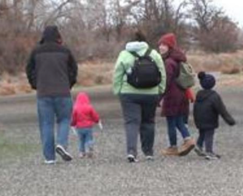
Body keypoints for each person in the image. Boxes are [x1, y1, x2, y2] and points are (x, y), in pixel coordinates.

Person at [26, 25, 78, 164]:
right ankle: (61, 144)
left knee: (46, 124)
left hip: (43, 93)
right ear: (58, 36)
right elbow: (74, 69)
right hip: (63, 92)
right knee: (65, 120)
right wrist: (69, 84)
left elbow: (29, 69)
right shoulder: (65, 51)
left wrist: (35, 84)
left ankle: (49, 158)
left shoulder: (36, 52)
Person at [113, 30, 166, 163]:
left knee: (132, 122)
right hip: (151, 93)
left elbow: (117, 73)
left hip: (129, 93)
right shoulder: (154, 54)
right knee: (148, 121)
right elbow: (162, 73)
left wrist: (118, 90)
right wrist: (160, 90)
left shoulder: (124, 54)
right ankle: (148, 152)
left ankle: (131, 151)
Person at [158, 33, 196, 156]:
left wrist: (159, 97)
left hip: (172, 95)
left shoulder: (169, 62)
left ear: (170, 46)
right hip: (181, 93)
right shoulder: (178, 59)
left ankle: (172, 147)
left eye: (164, 45)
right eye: (160, 44)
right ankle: (188, 139)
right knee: (179, 119)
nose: (161, 47)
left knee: (170, 121)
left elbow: (166, 81)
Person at [193, 72, 236, 160]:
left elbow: (195, 107)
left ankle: (199, 145)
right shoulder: (214, 96)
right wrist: (230, 120)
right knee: (209, 135)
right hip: (210, 119)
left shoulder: (198, 95)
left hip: (199, 119)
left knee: (202, 133)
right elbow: (222, 110)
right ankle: (209, 152)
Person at [71, 92, 101, 158]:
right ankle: (89, 148)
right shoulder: (89, 107)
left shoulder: (75, 108)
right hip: (88, 127)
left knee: (81, 140)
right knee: (89, 138)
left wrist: (72, 124)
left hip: (79, 128)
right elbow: (94, 116)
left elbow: (73, 118)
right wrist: (97, 121)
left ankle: (82, 153)